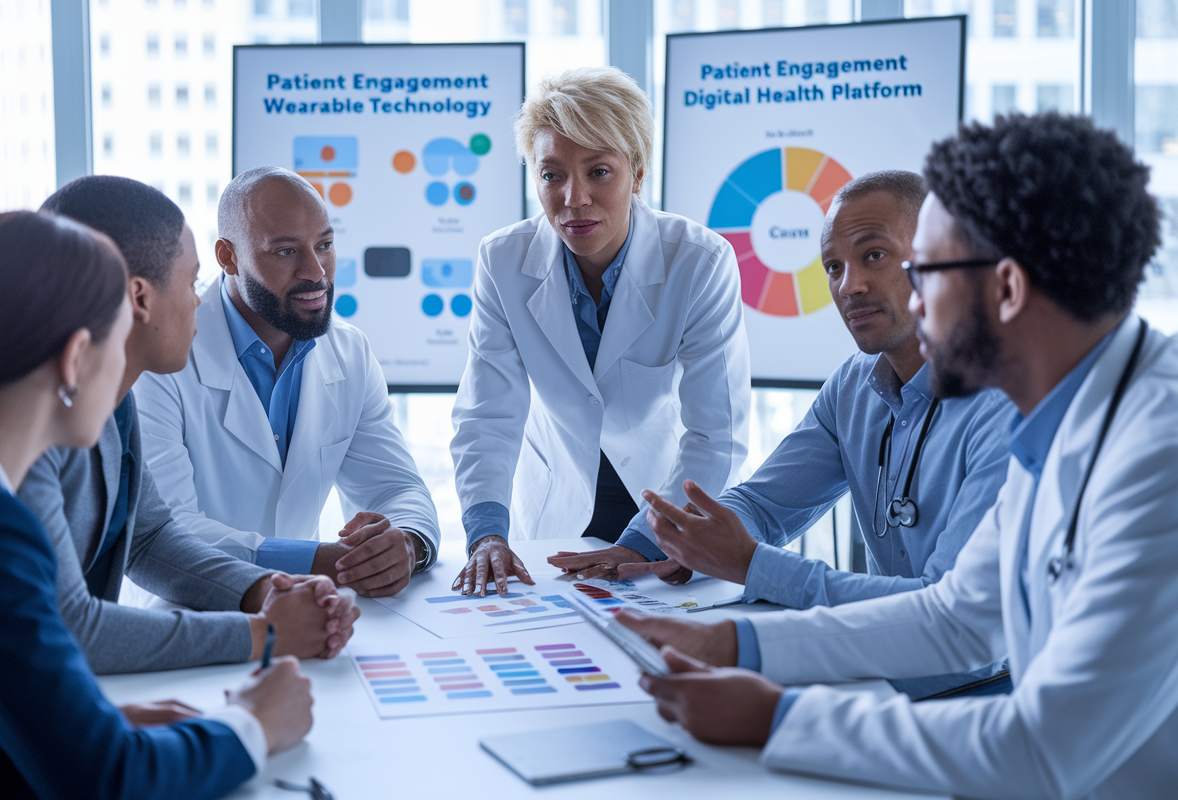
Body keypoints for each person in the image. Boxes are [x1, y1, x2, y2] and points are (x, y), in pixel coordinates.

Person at [622, 112, 1178, 799]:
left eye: (928, 273)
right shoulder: (1063, 416)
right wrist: (736, 646)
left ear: (1006, 288)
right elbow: (955, 618)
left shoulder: (1158, 453)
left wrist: (781, 719)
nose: (912, 304)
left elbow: (1046, 750)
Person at [0, 211, 313, 798]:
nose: (126, 373)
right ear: (74, 360)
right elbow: (108, 781)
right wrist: (251, 725)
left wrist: (92, 724)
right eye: (120, 342)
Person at [560, 170, 1014, 699]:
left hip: (988, 693)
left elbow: (949, 616)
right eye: (833, 267)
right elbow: (765, 504)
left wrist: (752, 564)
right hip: (880, 679)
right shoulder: (853, 387)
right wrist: (660, 542)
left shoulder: (1008, 405)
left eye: (874, 256)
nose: (850, 286)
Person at [17, 175, 358, 675]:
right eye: (191, 280)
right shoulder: (27, 435)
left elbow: (151, 537)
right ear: (139, 297)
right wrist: (264, 634)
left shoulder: (113, 406)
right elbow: (68, 629)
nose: (200, 300)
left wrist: (264, 590)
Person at [450, 66, 751, 595]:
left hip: (665, 506)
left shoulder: (700, 263)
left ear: (637, 174)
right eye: (551, 175)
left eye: (599, 172)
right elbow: (487, 415)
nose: (574, 198)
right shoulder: (502, 260)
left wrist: (645, 541)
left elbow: (716, 433)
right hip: (552, 515)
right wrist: (485, 534)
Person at [135, 167, 439, 598]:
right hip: (185, 613)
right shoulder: (162, 358)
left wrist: (407, 542)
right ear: (228, 257)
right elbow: (166, 532)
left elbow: (396, 487)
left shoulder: (349, 352)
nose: (315, 272)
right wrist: (320, 561)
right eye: (285, 252)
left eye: (326, 245)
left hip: (309, 612)